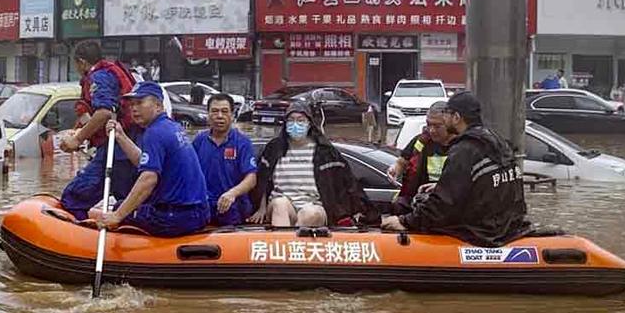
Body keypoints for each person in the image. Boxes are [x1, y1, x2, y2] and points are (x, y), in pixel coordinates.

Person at [381, 91, 531, 247]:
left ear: (456, 117)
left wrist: (404, 221)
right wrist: (442, 186)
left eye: (446, 115)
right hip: (505, 227)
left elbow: (442, 205)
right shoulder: (495, 141)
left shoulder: (464, 150)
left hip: (481, 232)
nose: (443, 120)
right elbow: (485, 186)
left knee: (422, 202)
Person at [100, 82, 210, 236]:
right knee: (123, 206)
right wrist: (121, 136)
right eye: (131, 104)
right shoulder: (171, 126)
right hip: (198, 212)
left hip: (178, 217)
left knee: (118, 208)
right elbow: (144, 163)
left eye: (140, 102)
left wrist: (117, 216)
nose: (134, 109)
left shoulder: (155, 133)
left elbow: (148, 179)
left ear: (158, 105)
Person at [248, 101, 380, 227]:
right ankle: (284, 245)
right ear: (285, 123)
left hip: (315, 206)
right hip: (283, 204)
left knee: (310, 213)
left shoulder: (325, 152)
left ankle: (295, 245)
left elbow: (348, 184)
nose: (295, 124)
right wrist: (261, 208)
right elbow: (262, 179)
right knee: (279, 203)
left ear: (309, 123)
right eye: (291, 120)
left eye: (300, 120)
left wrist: (364, 213)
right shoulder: (274, 148)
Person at [59, 40, 140, 220]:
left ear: (81, 62)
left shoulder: (99, 77)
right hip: (125, 147)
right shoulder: (108, 73)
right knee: (124, 198)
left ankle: (77, 242)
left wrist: (78, 138)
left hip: (116, 148)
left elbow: (104, 112)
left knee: (73, 198)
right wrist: (80, 131)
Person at [192, 93, 257, 226]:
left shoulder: (242, 142)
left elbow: (251, 179)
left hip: (233, 207)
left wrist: (232, 194)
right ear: (208, 115)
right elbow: (189, 173)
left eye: (224, 111)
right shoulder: (199, 141)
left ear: (232, 115)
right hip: (203, 206)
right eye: (215, 111)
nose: (219, 116)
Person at [386, 101, 453, 215]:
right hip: (418, 202)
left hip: (447, 205)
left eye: (437, 126)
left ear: (450, 123)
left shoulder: (462, 147)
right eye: (429, 124)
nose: (431, 130)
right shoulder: (421, 142)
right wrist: (394, 170)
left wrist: (441, 187)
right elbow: (402, 162)